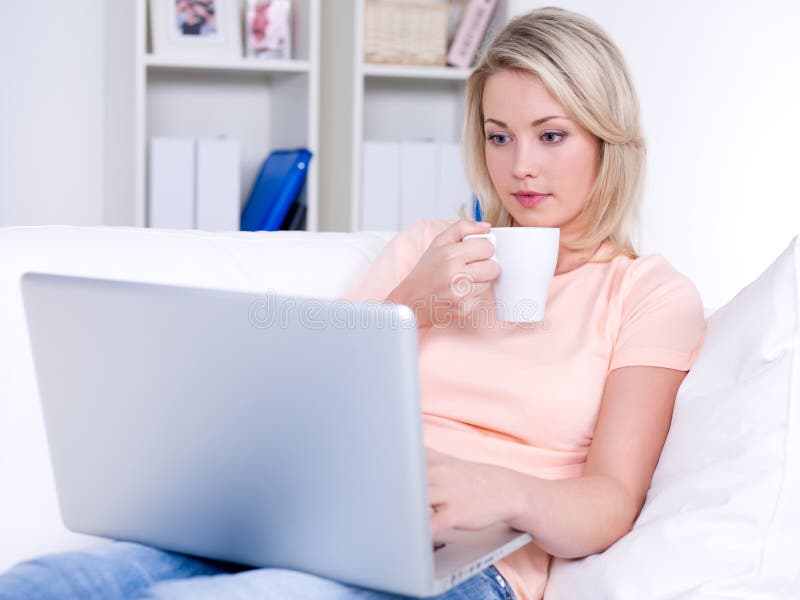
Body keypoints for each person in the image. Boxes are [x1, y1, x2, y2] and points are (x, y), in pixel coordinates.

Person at [0, 7, 706, 600]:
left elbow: (614, 499)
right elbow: (303, 403)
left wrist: (507, 493)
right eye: (498, 136)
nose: (519, 165)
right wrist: (413, 305)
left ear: (607, 140)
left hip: (467, 563)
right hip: (308, 518)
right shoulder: (430, 249)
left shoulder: (647, 294)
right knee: (45, 585)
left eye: (551, 135)